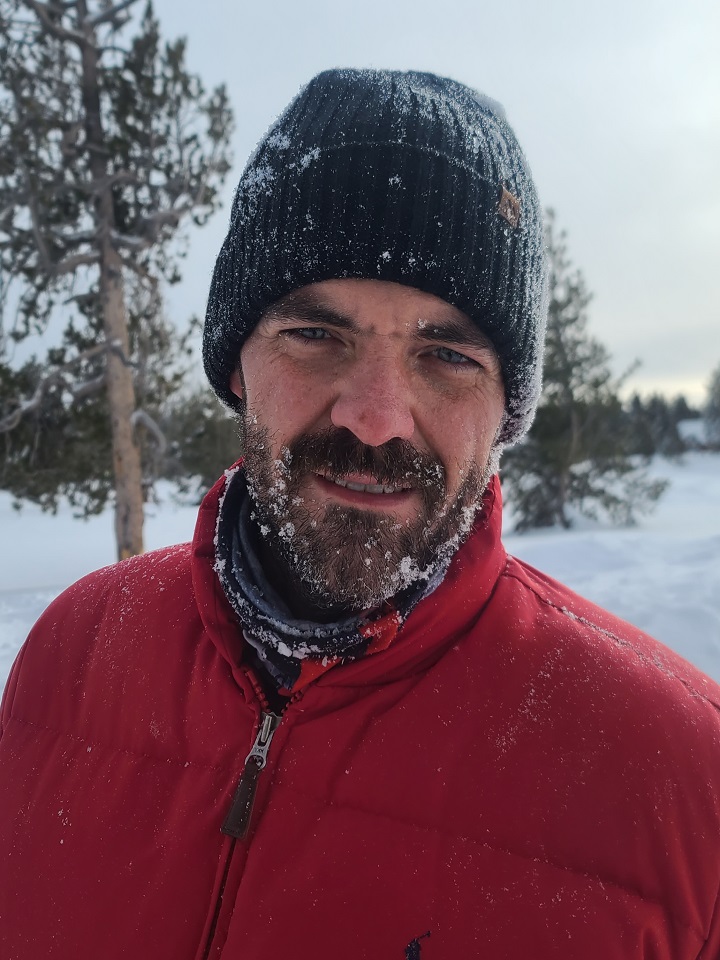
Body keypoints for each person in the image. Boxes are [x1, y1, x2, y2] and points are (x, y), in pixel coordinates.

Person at [1, 69, 719, 960]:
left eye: (447, 354)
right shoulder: (70, 656)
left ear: (508, 412)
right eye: (315, 335)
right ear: (236, 368)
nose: (375, 416)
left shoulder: (683, 780)